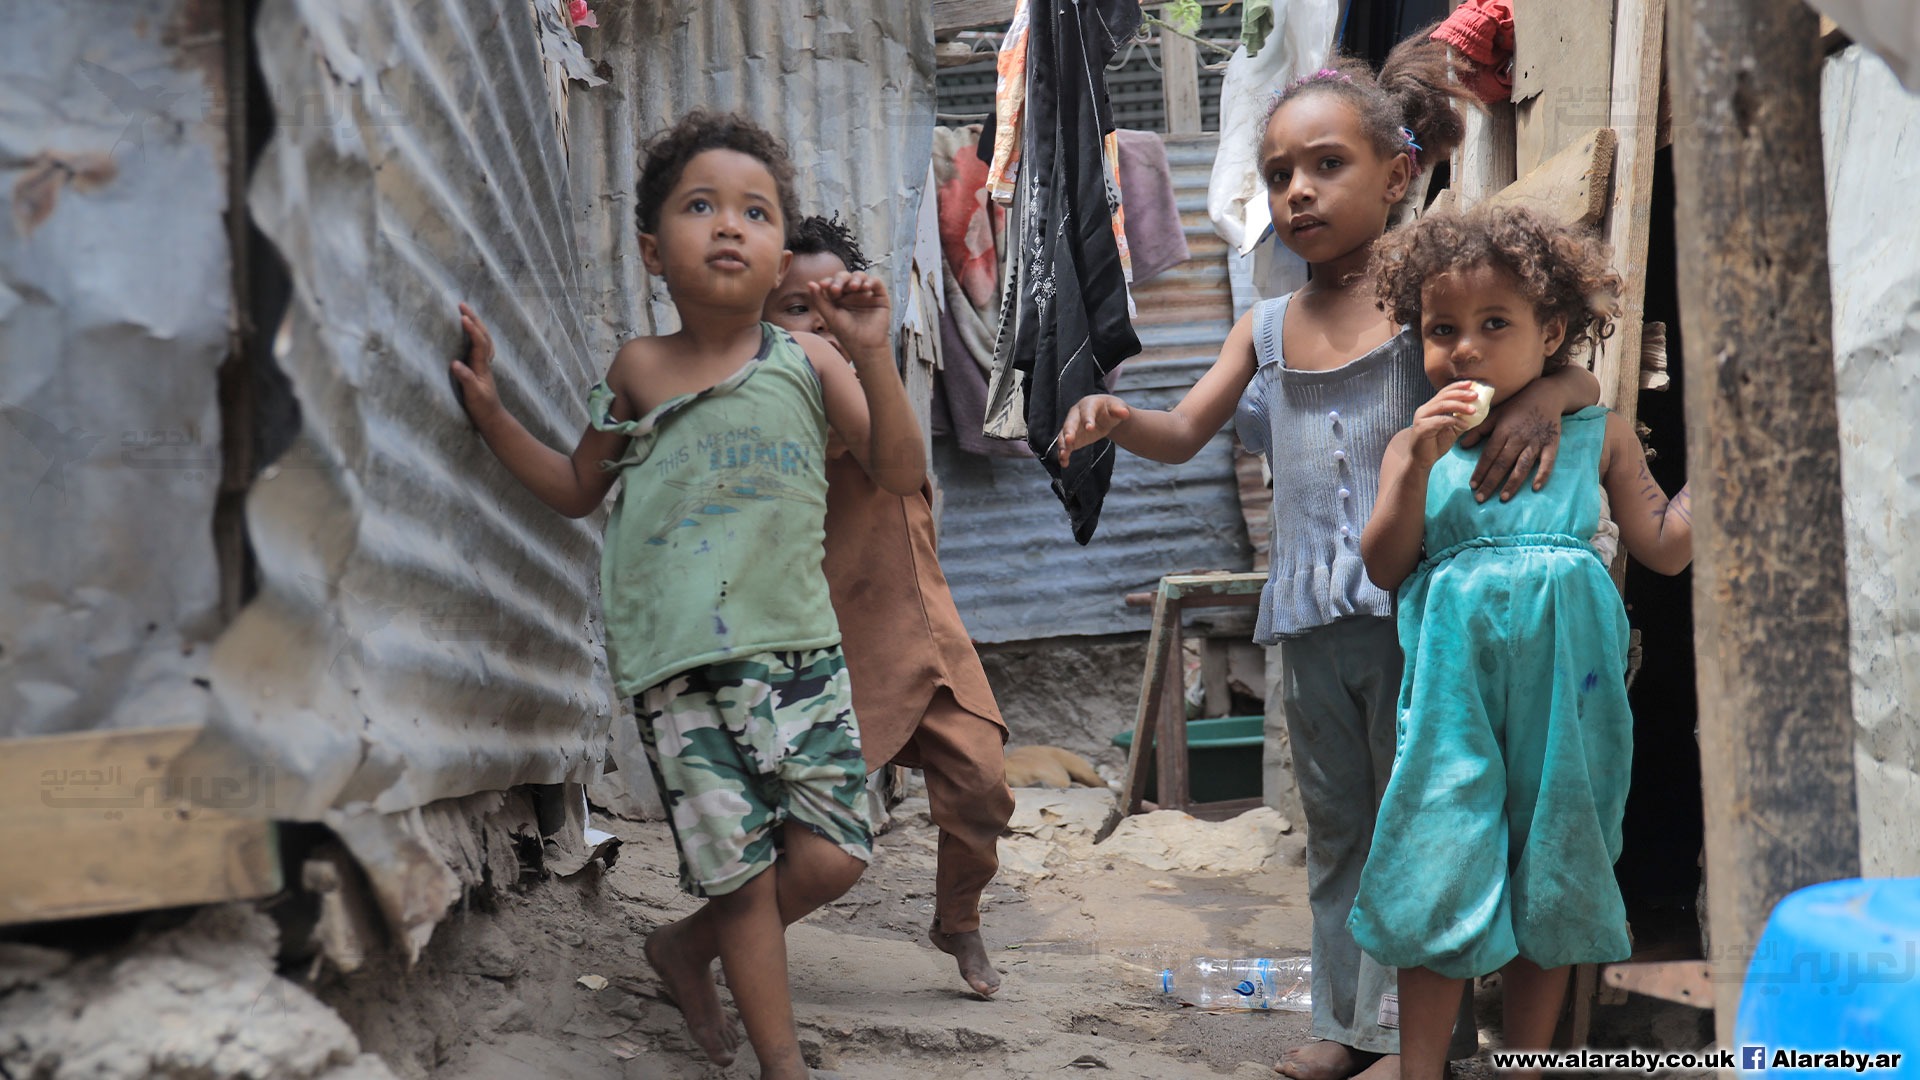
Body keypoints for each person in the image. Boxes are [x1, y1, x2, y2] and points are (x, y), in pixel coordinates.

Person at [1053, 38, 1605, 1080]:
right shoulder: (1264, 328)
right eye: (1278, 175)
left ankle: (1423, 1035)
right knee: (1340, 828)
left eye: (1326, 165)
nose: (1298, 191)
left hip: (1418, 621)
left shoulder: (1429, 317)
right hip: (1305, 622)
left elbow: (1563, 373)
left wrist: (1549, 393)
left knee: (1426, 828)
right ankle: (1351, 1026)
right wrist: (1118, 417)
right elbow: (1183, 432)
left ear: (1398, 174)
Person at [448, 111, 925, 1080]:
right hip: (681, 671)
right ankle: (782, 1065)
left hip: (800, 653)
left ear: (779, 254)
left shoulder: (809, 362)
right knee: (742, 877)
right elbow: (577, 488)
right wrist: (492, 416)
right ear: (651, 250)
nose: (729, 225)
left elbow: (899, 469)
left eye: (755, 211)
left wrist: (873, 353)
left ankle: (682, 947)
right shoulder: (639, 370)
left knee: (835, 854)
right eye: (700, 206)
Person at [1353, 204, 1692, 1080]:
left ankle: (1527, 1064)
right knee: (1439, 851)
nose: (1464, 349)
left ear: (1551, 333)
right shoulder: (1414, 447)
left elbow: (1664, 544)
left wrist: (1727, 461)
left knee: (1558, 852)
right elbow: (1386, 565)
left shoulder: (1598, 434)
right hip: (1452, 695)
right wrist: (1416, 462)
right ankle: (1421, 1069)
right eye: (1442, 329)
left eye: (1494, 324)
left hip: (1572, 694)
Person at [764, 214, 1015, 998]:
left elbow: (900, 464)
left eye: (828, 307)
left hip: (929, 633)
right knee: (806, 828)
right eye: (794, 310)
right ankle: (724, 939)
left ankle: (957, 917)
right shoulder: (778, 406)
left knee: (981, 778)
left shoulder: (871, 382)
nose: (816, 327)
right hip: (842, 643)